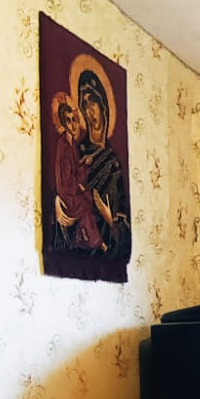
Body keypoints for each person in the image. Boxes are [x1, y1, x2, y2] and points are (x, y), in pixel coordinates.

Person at [75, 65, 129, 258]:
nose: (89, 111)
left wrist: (109, 217)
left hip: (105, 246)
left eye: (93, 103)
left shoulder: (113, 163)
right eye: (84, 105)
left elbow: (124, 224)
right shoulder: (78, 152)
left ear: (103, 106)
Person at [50, 92, 103, 253]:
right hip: (66, 192)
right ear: (63, 123)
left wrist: (83, 164)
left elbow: (75, 169)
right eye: (68, 121)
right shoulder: (63, 145)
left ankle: (83, 237)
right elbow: (66, 177)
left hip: (72, 188)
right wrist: (80, 185)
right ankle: (94, 241)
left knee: (88, 198)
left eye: (74, 120)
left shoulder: (72, 144)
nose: (73, 125)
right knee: (85, 202)